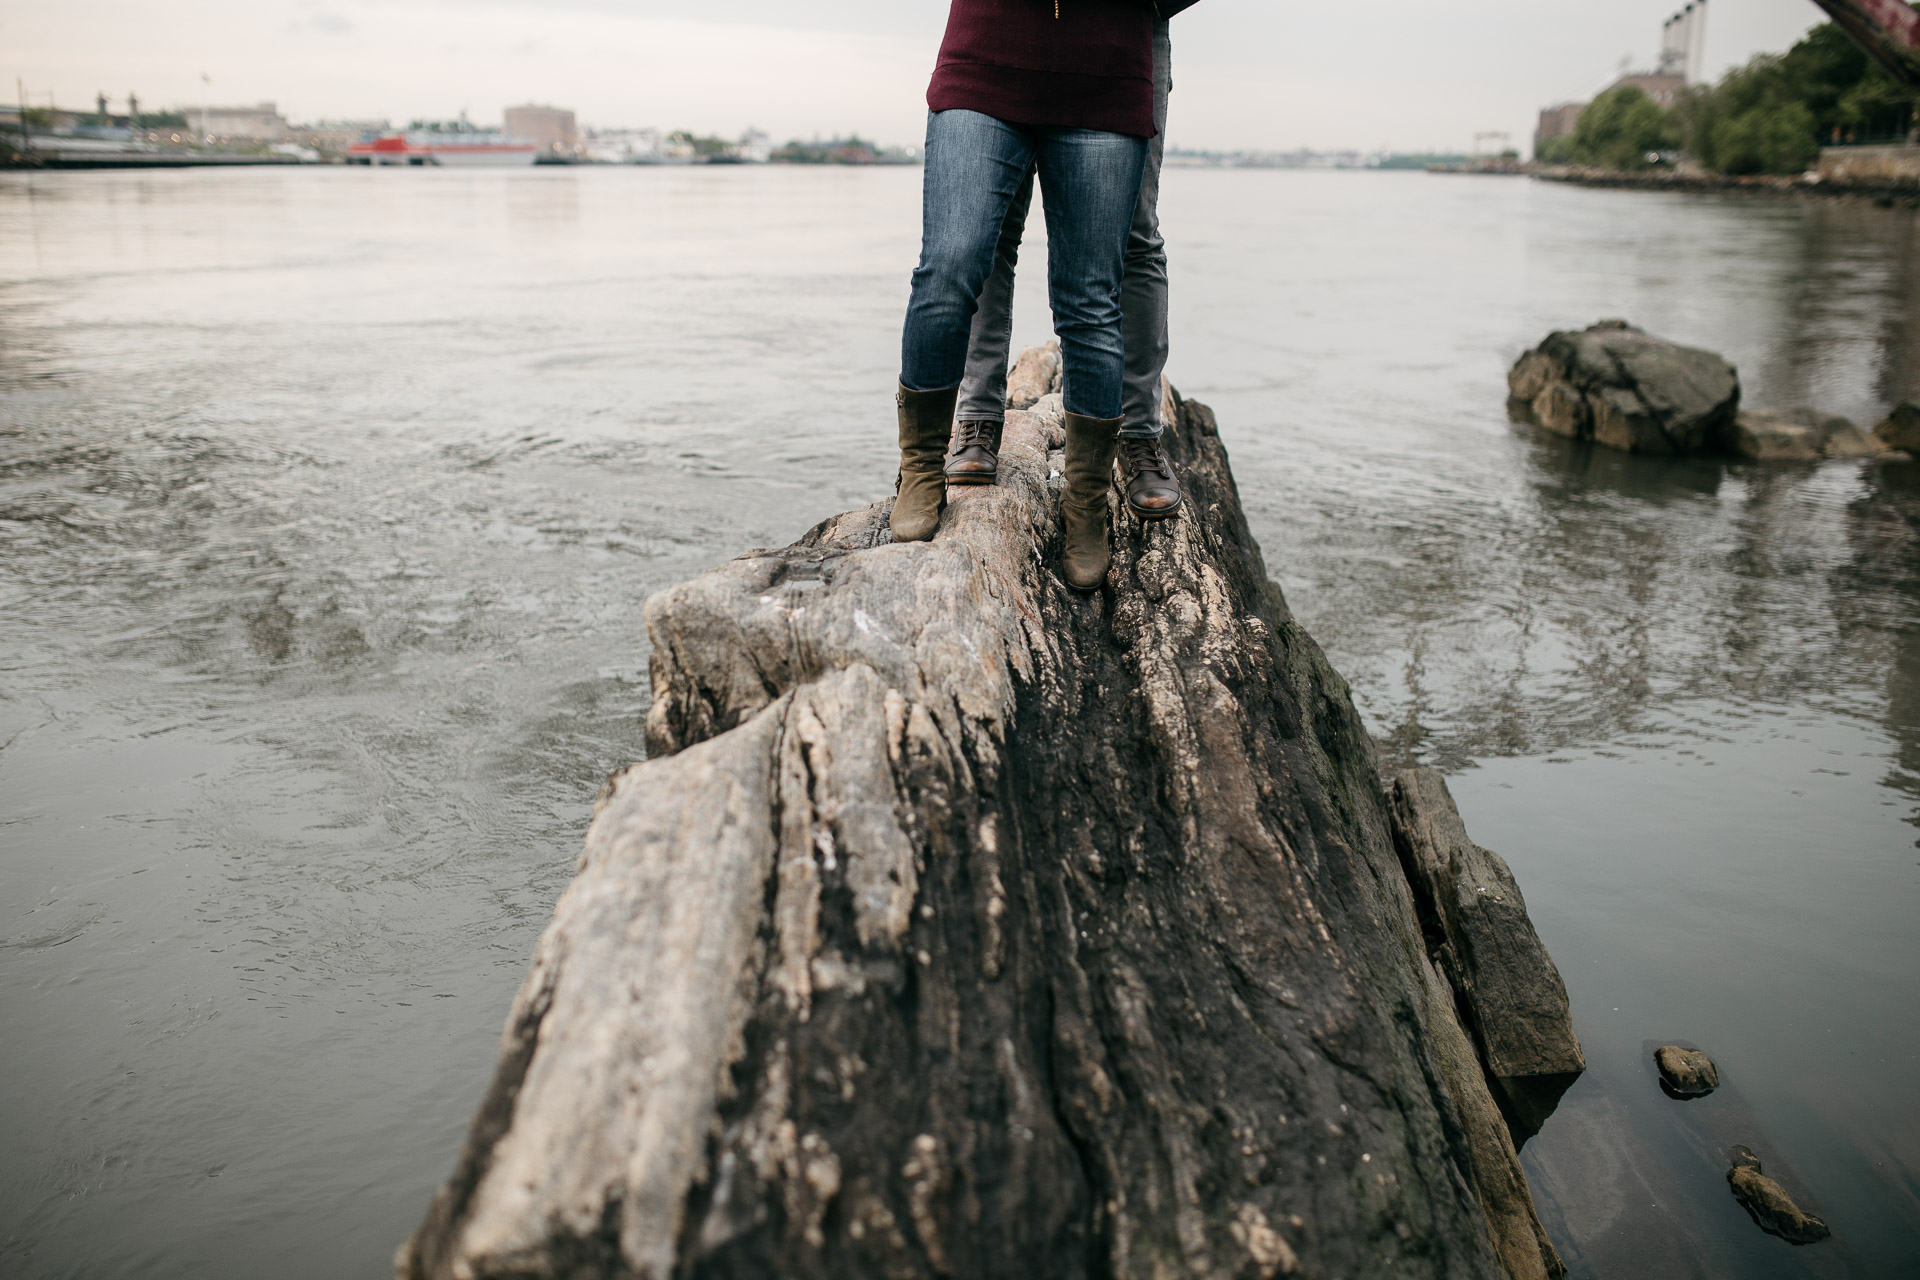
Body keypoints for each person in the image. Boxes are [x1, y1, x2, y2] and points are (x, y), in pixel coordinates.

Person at [891, 0, 1201, 591]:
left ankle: (1095, 490)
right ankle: (932, 457)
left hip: (1107, 61)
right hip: (990, 47)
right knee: (954, 261)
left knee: (1096, 288)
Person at [945, 14, 1182, 529]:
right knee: (990, 231)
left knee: (1134, 236)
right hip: (1011, 28)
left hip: (1128, 35)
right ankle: (977, 418)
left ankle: (1138, 433)